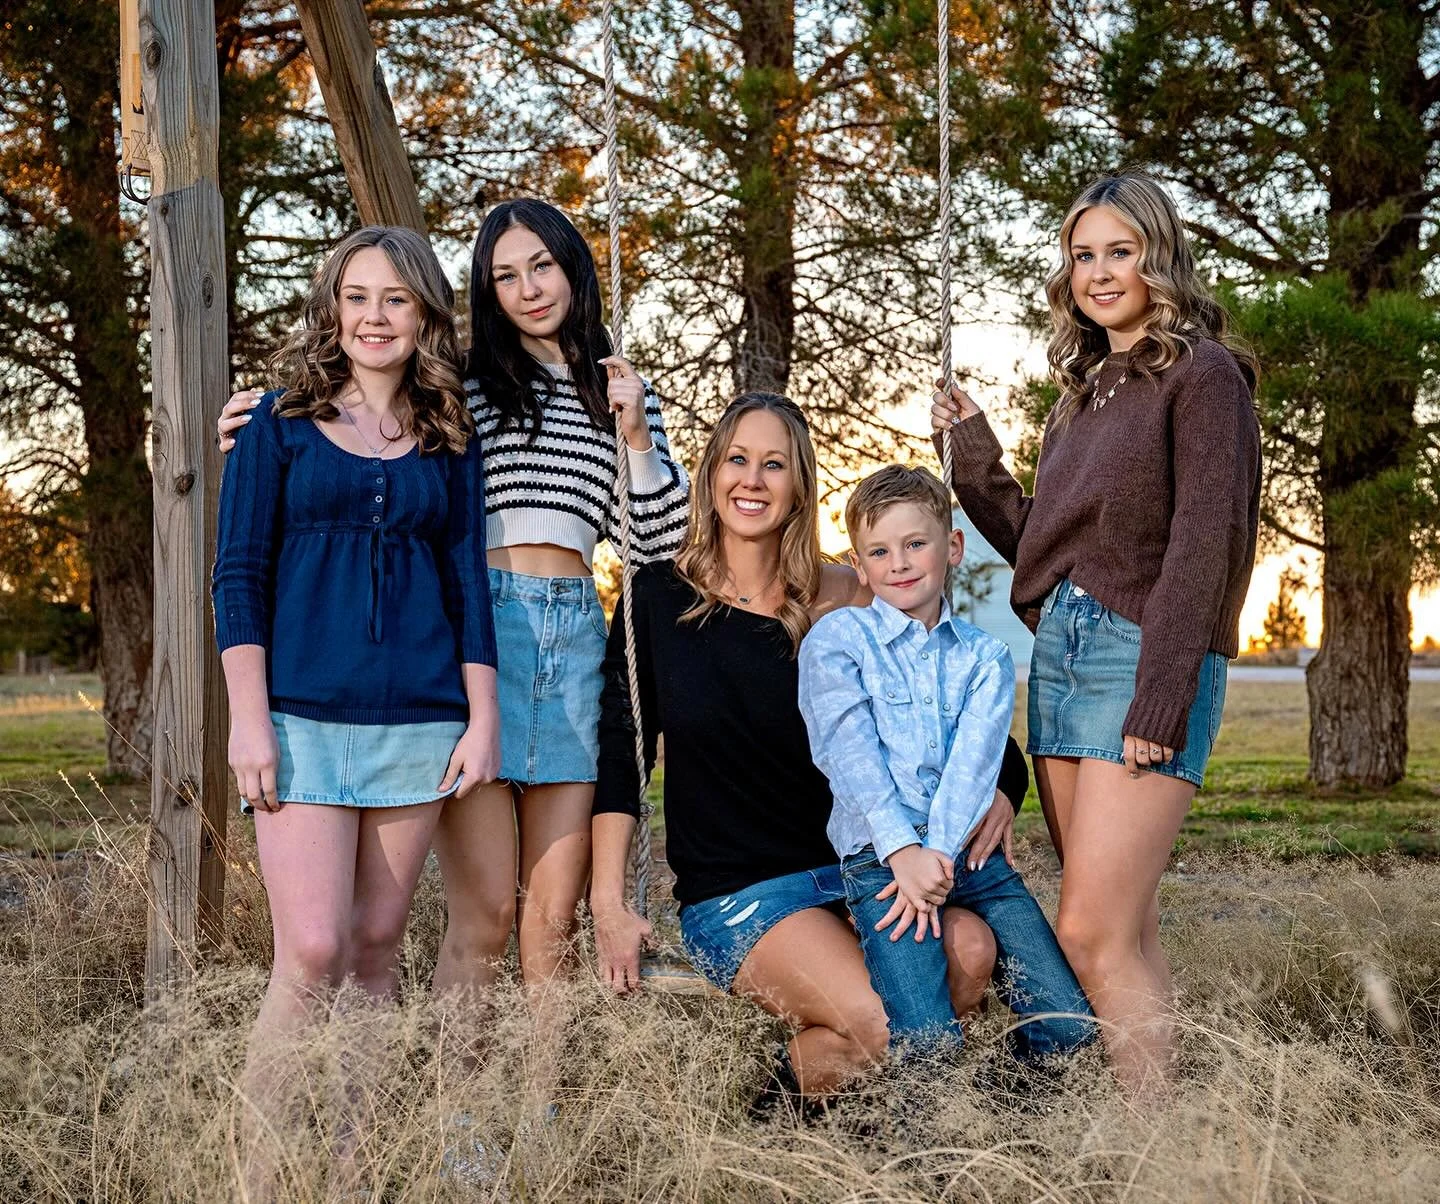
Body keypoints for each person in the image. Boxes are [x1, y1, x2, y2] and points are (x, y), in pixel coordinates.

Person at [219, 199, 690, 993]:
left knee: (551, 916)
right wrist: (252, 418)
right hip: (477, 629)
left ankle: (535, 1109)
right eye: (505, 275)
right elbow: (363, 419)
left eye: (542, 265)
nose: (529, 288)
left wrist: (638, 437)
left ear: (574, 266)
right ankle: (457, 1112)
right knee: (485, 915)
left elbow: (655, 546)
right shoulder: (461, 385)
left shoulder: (619, 396)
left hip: (571, 637)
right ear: (485, 292)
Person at [591, 392, 1032, 1102]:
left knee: (972, 953)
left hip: (858, 870)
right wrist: (609, 902)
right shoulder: (655, 599)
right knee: (892, 1024)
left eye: (775, 464)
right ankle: (796, 1116)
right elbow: (621, 757)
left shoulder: (848, 599)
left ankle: (808, 1101)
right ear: (709, 475)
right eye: (736, 460)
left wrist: (1008, 785)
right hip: (741, 894)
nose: (752, 480)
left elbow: (953, 707)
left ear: (800, 484)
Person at [931, 170, 1261, 1093]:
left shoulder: (1203, 377)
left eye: (1122, 252)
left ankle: (1150, 1155)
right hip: (1064, 662)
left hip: (1138, 660)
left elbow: (1205, 542)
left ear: (1161, 257)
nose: (1101, 272)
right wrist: (976, 457)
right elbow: (1046, 541)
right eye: (1085, 255)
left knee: (1089, 931)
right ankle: (1155, 1136)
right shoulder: (1085, 394)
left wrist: (1163, 690)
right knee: (1127, 928)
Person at [211, 227, 499, 1156]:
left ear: (425, 316)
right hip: (298, 722)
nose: (376, 317)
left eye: (397, 300)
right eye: (359, 296)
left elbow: (469, 588)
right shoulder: (278, 423)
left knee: (377, 947)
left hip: (419, 723)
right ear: (333, 307)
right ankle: (256, 1170)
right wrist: (248, 721)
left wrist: (481, 717)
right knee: (311, 952)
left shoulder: (450, 437)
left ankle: (350, 1163)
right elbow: (239, 575)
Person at [798, 464, 1093, 1066]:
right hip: (880, 862)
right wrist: (905, 853)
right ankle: (926, 1151)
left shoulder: (985, 658)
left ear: (952, 546)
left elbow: (975, 763)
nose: (899, 563)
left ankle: (1011, 1113)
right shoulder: (838, 641)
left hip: (972, 860)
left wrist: (937, 851)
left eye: (915, 543)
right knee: (927, 1037)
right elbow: (848, 755)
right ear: (858, 565)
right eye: (879, 551)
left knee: (1067, 1023)